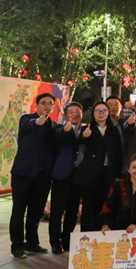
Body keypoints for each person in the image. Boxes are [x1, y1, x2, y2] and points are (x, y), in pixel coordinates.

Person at [10, 93, 56, 259]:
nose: (47, 106)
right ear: (36, 105)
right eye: (44, 103)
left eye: (50, 104)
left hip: (43, 177)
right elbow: (29, 124)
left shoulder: (53, 125)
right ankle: (17, 246)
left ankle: (32, 243)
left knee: (36, 211)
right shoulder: (26, 119)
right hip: (23, 174)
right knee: (18, 210)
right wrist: (37, 122)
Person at [71, 101, 122, 232]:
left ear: (108, 113)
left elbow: (118, 153)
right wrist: (83, 137)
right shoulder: (87, 129)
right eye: (97, 111)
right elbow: (79, 144)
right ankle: (87, 236)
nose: (100, 113)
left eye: (104, 110)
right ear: (93, 113)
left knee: (105, 205)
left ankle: (102, 237)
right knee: (89, 206)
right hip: (90, 174)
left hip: (108, 173)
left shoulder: (113, 130)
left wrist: (118, 174)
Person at [48, 102, 82, 254]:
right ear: (65, 115)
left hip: (78, 176)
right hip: (61, 175)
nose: (74, 114)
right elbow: (57, 137)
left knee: (72, 211)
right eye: (71, 112)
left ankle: (67, 240)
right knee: (57, 210)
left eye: (77, 112)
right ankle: (55, 243)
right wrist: (65, 130)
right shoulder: (59, 129)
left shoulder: (86, 130)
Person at [99, 154, 136, 233]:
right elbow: (108, 207)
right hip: (118, 231)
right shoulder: (118, 185)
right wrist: (105, 225)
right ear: (128, 169)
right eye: (134, 167)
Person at [106, 95, 128, 175]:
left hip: (123, 162)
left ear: (121, 107)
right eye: (110, 105)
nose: (113, 107)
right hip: (106, 164)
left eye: (116, 105)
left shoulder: (125, 124)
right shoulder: (102, 124)